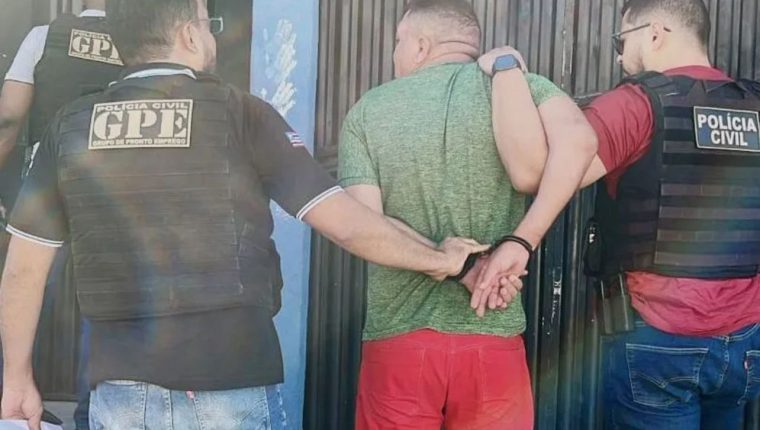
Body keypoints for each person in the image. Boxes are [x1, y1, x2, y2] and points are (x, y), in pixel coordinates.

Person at [0, 0, 486, 429]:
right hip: (230, 385)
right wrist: (442, 260)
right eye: (205, 23)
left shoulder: (70, 127)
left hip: (120, 393)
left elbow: (23, 269)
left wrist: (17, 378)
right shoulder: (241, 113)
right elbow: (346, 223)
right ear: (190, 36)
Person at [480, 0, 760, 428]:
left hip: (662, 341)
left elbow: (534, 170)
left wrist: (507, 72)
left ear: (654, 34)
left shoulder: (636, 104)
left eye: (621, 40)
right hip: (747, 344)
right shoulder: (754, 105)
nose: (617, 56)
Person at [338, 1, 597, 428]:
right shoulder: (518, 87)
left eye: (398, 42)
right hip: (492, 331)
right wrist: (521, 241)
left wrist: (455, 264)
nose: (395, 53)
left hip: (399, 340)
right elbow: (581, 142)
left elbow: (365, 223)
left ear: (421, 46)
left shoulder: (368, 110)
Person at [0, 2, 123, 428]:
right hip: (114, 186)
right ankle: (93, 412)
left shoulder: (44, 36)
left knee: (26, 287)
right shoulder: (137, 41)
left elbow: (9, 117)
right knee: (102, 300)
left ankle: (10, 396)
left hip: (48, 180)